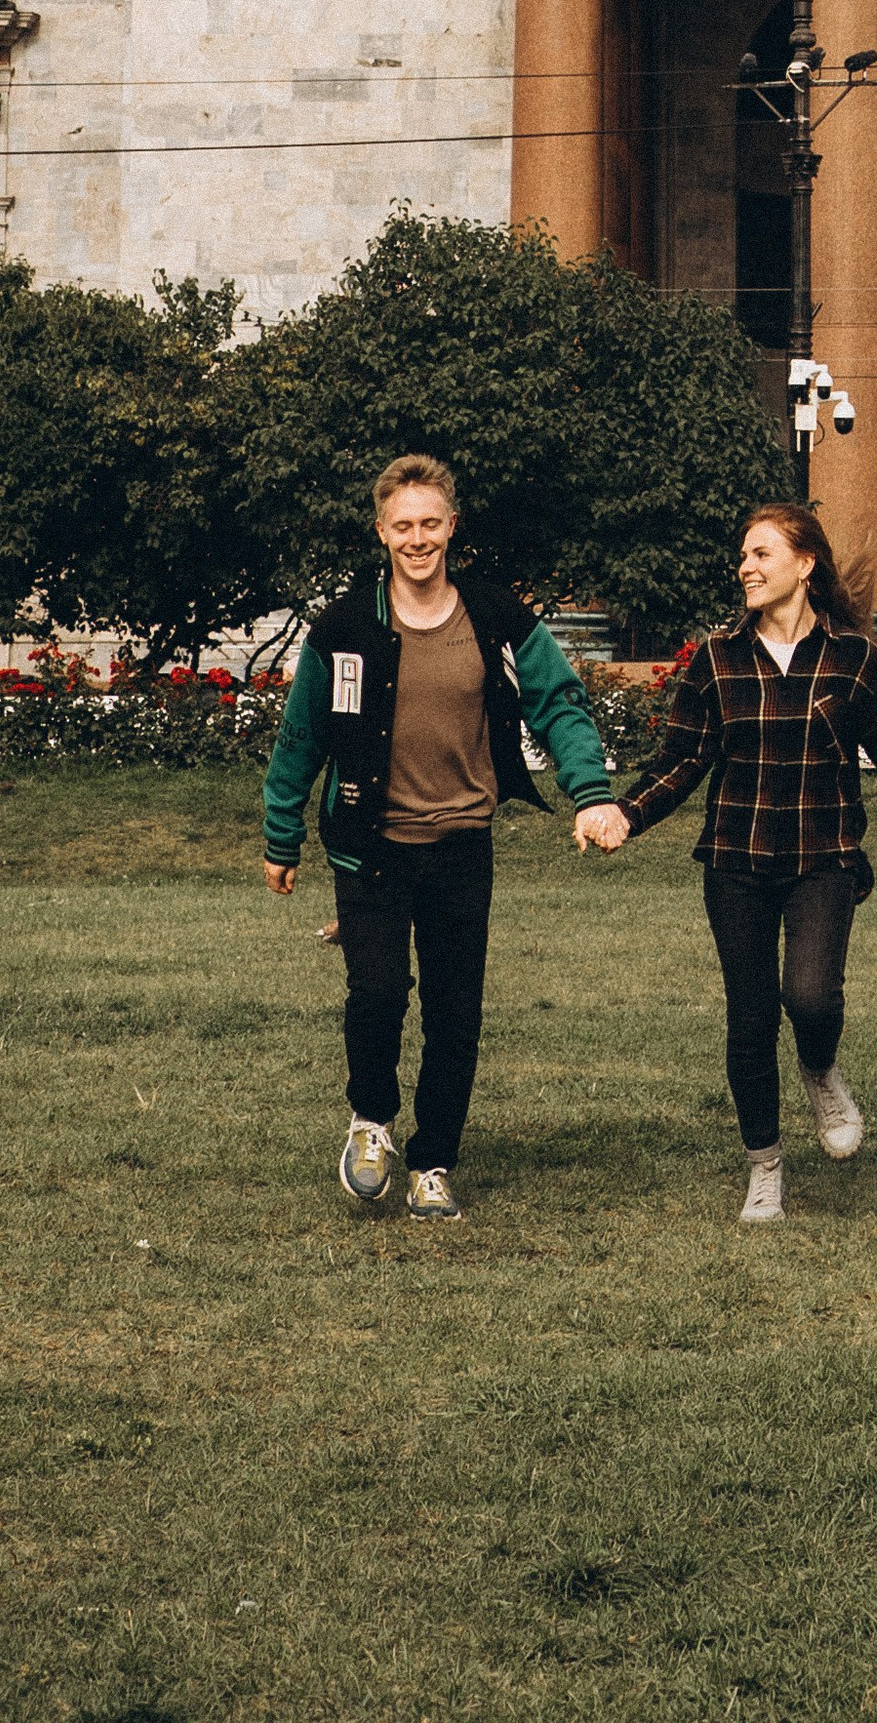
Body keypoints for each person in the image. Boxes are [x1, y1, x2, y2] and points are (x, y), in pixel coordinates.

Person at [578, 503, 877, 1224]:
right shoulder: (717, 660)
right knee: (751, 1018)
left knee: (812, 998)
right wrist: (626, 814)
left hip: (825, 857)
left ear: (804, 564)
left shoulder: (852, 661)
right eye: (744, 557)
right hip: (735, 861)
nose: (746, 568)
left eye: (761, 554)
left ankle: (820, 1070)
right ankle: (765, 1168)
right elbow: (683, 758)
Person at [261, 452, 615, 1225]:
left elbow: (560, 702)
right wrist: (280, 838)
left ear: (452, 527)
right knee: (380, 992)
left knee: (456, 1014)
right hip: (369, 844)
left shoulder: (495, 618)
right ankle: (371, 1122)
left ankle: (432, 1162)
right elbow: (300, 737)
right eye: (402, 526)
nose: (417, 539)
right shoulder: (345, 628)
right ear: (381, 532)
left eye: (430, 524)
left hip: (461, 846)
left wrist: (588, 791)